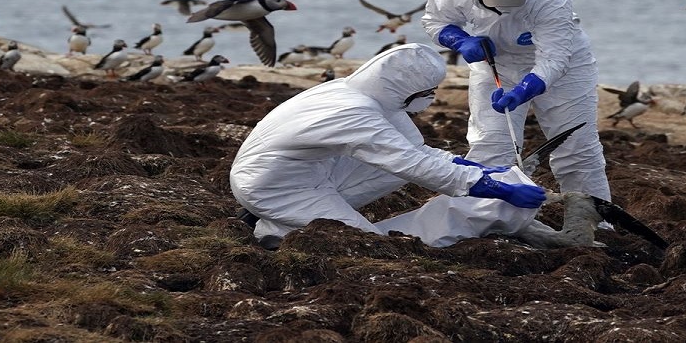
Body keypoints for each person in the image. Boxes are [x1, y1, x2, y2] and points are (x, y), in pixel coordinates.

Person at [229, 43, 547, 249]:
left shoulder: (364, 95)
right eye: (429, 91)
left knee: (394, 169)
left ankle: (274, 227)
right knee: (365, 245)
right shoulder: (353, 113)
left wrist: (472, 167)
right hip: (272, 186)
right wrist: (492, 188)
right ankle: (275, 224)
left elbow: (414, 150)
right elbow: (410, 162)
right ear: (406, 87)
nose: (431, 98)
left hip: (304, 171)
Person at [421, 0, 611, 200]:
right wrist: (459, 40)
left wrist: (524, 90)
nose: (506, 3)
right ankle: (482, 216)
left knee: (577, 147)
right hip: (496, 64)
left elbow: (554, 57)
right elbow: (434, 19)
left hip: (566, 68)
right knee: (490, 144)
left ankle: (593, 218)